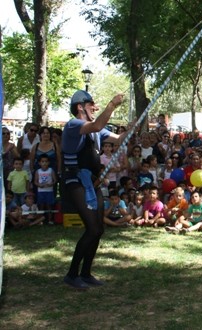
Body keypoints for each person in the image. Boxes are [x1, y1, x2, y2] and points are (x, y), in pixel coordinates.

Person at [61, 90, 124, 289]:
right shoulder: (74, 125)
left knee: (98, 229)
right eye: (91, 105)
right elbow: (97, 124)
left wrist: (132, 129)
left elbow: (118, 139)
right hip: (75, 181)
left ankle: (86, 273)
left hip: (91, 183)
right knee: (93, 228)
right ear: (80, 107)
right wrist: (111, 105)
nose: (95, 108)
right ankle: (72, 274)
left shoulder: (97, 131)